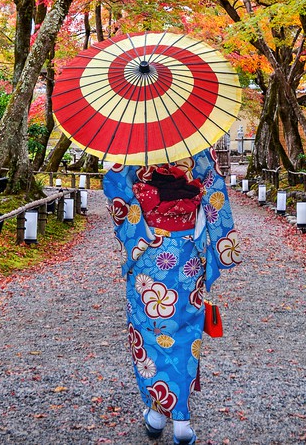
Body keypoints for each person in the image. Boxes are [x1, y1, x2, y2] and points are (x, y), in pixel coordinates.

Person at [102, 149, 240, 445]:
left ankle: (158, 413)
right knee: (185, 332)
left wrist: (143, 222)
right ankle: (180, 421)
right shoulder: (198, 147)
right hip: (187, 254)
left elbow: (115, 189)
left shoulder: (128, 151)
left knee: (149, 333)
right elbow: (215, 195)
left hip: (147, 254)